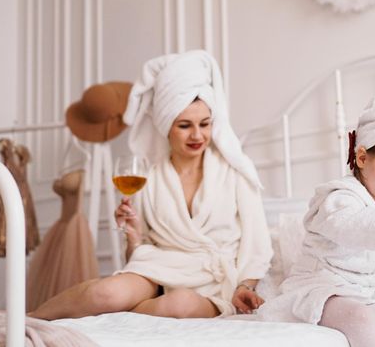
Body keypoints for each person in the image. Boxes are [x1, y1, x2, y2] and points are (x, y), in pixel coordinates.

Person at [30, 50, 273, 320]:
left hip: (211, 281)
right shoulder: (151, 176)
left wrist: (245, 286)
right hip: (158, 267)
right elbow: (139, 249)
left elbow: (257, 242)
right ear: (166, 126)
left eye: (205, 124)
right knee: (105, 294)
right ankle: (24, 321)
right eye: (184, 126)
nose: (197, 135)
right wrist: (133, 235)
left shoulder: (235, 171)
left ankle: (112, 316)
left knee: (178, 304)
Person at [258, 87, 375, 347]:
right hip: (322, 290)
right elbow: (353, 226)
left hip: (365, 296)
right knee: (361, 319)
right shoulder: (337, 198)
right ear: (362, 158)